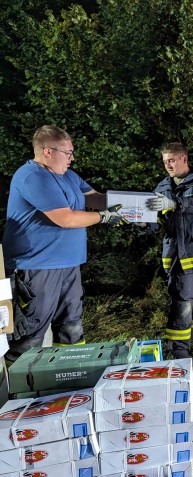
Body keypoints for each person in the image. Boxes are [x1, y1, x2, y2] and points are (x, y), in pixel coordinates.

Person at [2, 125, 127, 363]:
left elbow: (97, 198)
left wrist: (139, 206)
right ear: (48, 151)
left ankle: (67, 376)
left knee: (71, 325)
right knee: (30, 331)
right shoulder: (33, 177)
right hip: (37, 266)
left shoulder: (68, 175)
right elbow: (66, 219)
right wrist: (106, 217)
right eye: (68, 153)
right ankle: (15, 391)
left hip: (69, 264)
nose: (73, 158)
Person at [144, 142, 193, 359]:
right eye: (164, 161)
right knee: (182, 302)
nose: (167, 165)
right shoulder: (161, 188)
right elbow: (155, 224)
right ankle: (179, 350)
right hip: (179, 256)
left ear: (184, 159)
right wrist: (142, 223)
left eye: (172, 160)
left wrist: (174, 203)